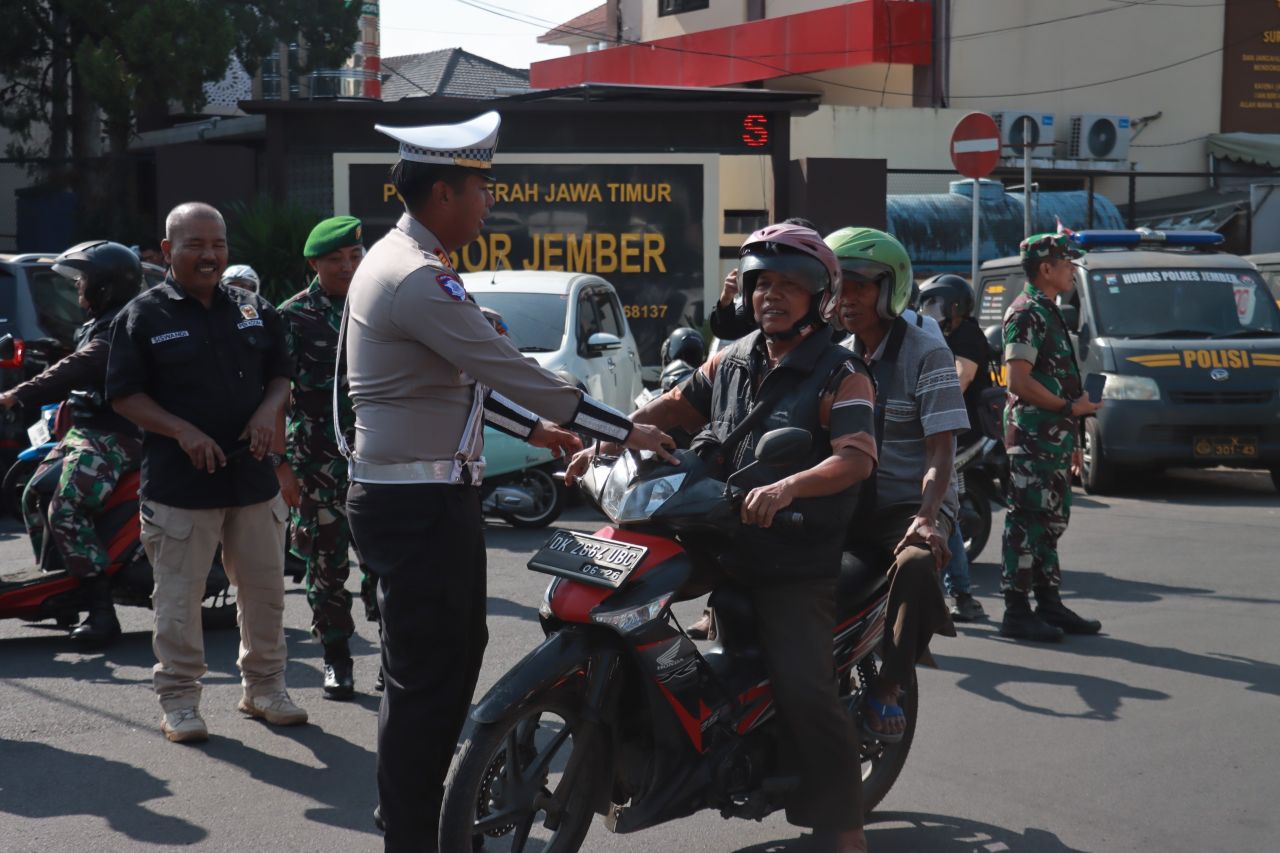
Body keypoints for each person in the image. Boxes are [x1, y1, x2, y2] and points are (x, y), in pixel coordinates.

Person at [339, 111, 675, 852]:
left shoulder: (403, 261)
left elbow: (460, 378)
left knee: (447, 662)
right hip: (415, 502)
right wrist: (625, 428)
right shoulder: (417, 276)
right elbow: (513, 369)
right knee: (427, 681)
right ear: (444, 193)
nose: (489, 205)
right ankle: (410, 832)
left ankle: (418, 817)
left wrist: (539, 432)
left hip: (427, 495)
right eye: (481, 189)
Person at [568, 222, 878, 853]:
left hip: (792, 554)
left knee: (806, 689)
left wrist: (789, 488)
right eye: (763, 283)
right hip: (718, 530)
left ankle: (846, 832)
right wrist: (608, 438)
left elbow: (856, 457)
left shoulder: (841, 373)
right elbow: (672, 407)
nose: (772, 296)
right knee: (625, 595)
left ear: (821, 296)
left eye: (792, 285)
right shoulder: (732, 360)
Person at [107, 201, 306, 744]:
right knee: (177, 600)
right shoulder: (142, 316)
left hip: (252, 480)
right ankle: (179, 702)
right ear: (169, 251)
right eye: (195, 244)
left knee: (264, 593)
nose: (209, 254)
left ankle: (265, 689)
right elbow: (124, 396)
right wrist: (181, 430)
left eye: (217, 244)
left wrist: (269, 411)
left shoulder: (253, 309)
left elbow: (280, 378)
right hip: (180, 485)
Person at [827, 226, 965, 743]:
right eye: (839, 286)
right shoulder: (838, 354)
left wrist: (928, 517)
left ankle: (888, 686)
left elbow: (941, 447)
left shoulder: (927, 353)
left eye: (859, 286)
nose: (847, 299)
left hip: (913, 499)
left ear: (890, 288)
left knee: (915, 565)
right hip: (855, 501)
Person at [0, 240, 144, 646]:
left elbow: (80, 365)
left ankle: (100, 609)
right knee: (29, 492)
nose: (78, 287)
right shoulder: (97, 322)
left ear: (105, 286)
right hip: (83, 433)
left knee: (66, 507)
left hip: (115, 436)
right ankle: (62, 587)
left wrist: (17, 394)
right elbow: (67, 363)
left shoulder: (122, 325)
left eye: (84, 280)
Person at [278, 215, 377, 700]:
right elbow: (274, 394)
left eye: (355, 256)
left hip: (381, 456)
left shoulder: (381, 303)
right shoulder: (292, 316)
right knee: (326, 564)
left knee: (385, 562)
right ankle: (337, 657)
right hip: (317, 462)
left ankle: (392, 656)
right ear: (314, 263)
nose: (347, 266)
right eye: (336, 259)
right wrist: (281, 467)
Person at [999, 233, 1103, 641]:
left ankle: (1049, 603)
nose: (1073, 270)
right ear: (1046, 269)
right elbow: (1018, 381)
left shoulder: (1049, 310)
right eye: (1067, 263)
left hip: (1054, 440)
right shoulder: (1027, 312)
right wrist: (1067, 410)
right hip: (1033, 440)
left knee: (1049, 523)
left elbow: (1056, 379)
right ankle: (1016, 611)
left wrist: (1074, 435)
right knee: (1025, 521)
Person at [918, 274, 989, 622]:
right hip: (934, 431)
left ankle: (960, 593)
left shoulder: (967, 335)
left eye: (936, 302)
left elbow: (960, 378)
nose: (929, 310)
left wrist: (924, 402)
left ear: (956, 306)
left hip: (960, 433)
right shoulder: (935, 334)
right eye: (925, 302)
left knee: (946, 509)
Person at [709, 216, 820, 342]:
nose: (772, 295)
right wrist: (726, 299)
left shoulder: (835, 354)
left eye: (789, 283)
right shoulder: (746, 353)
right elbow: (727, 329)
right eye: (765, 283)